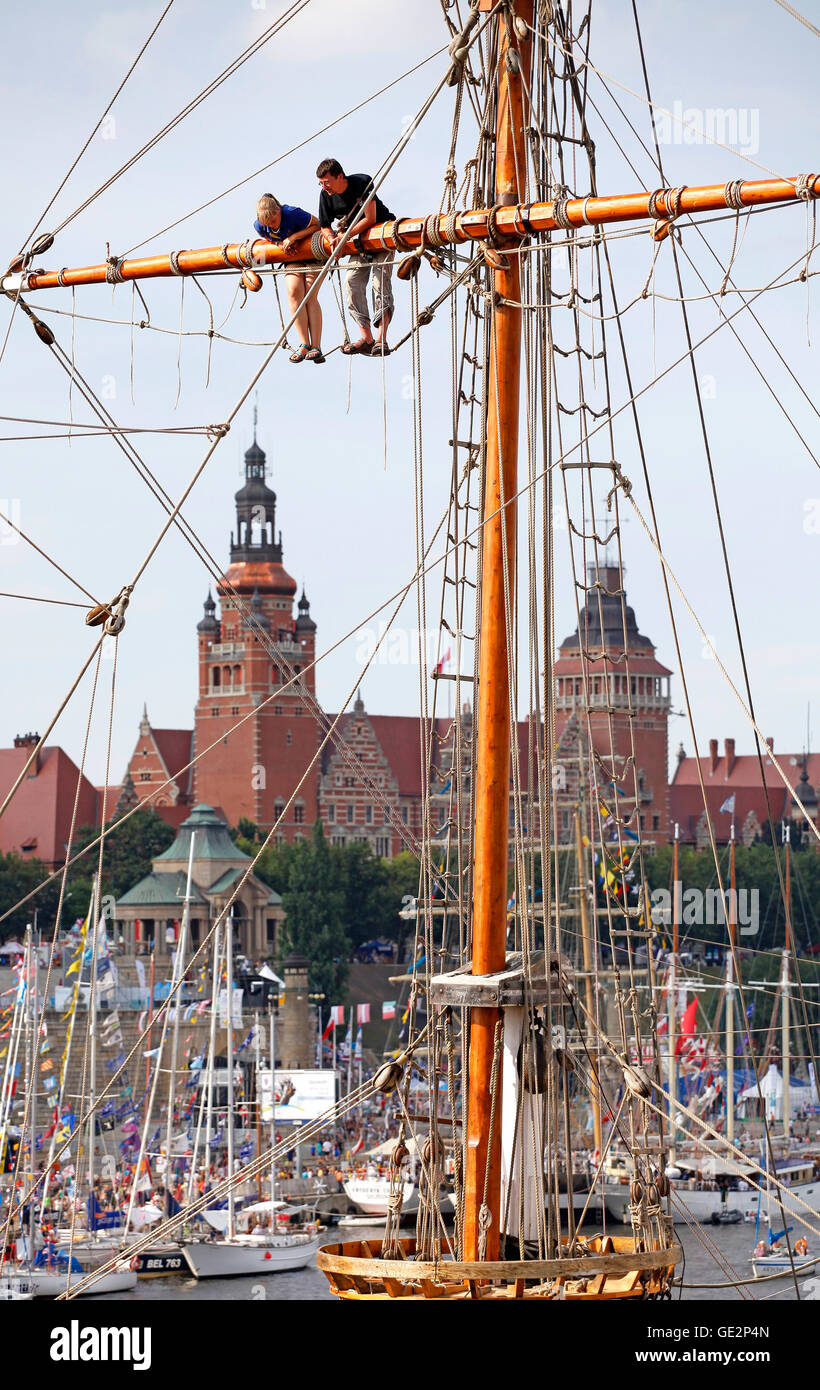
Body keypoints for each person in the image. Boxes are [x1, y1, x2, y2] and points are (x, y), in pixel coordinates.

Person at [316, 159, 395, 356]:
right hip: (358, 245)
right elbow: (324, 225)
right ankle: (367, 338)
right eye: (321, 183)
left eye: (327, 182)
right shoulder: (325, 196)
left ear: (340, 177)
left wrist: (345, 236)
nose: (324, 187)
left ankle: (380, 339)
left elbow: (370, 218)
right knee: (351, 284)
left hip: (381, 237)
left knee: (380, 284)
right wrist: (332, 238)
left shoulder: (361, 183)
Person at [254, 193, 324, 364]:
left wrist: (293, 238)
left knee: (309, 294)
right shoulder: (260, 226)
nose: (271, 225)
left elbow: (317, 225)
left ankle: (316, 346)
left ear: (278, 210)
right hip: (292, 257)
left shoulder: (292, 213)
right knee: (293, 292)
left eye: (273, 220)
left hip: (312, 253)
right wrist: (279, 244)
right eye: (267, 223)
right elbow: (268, 238)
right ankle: (304, 344)